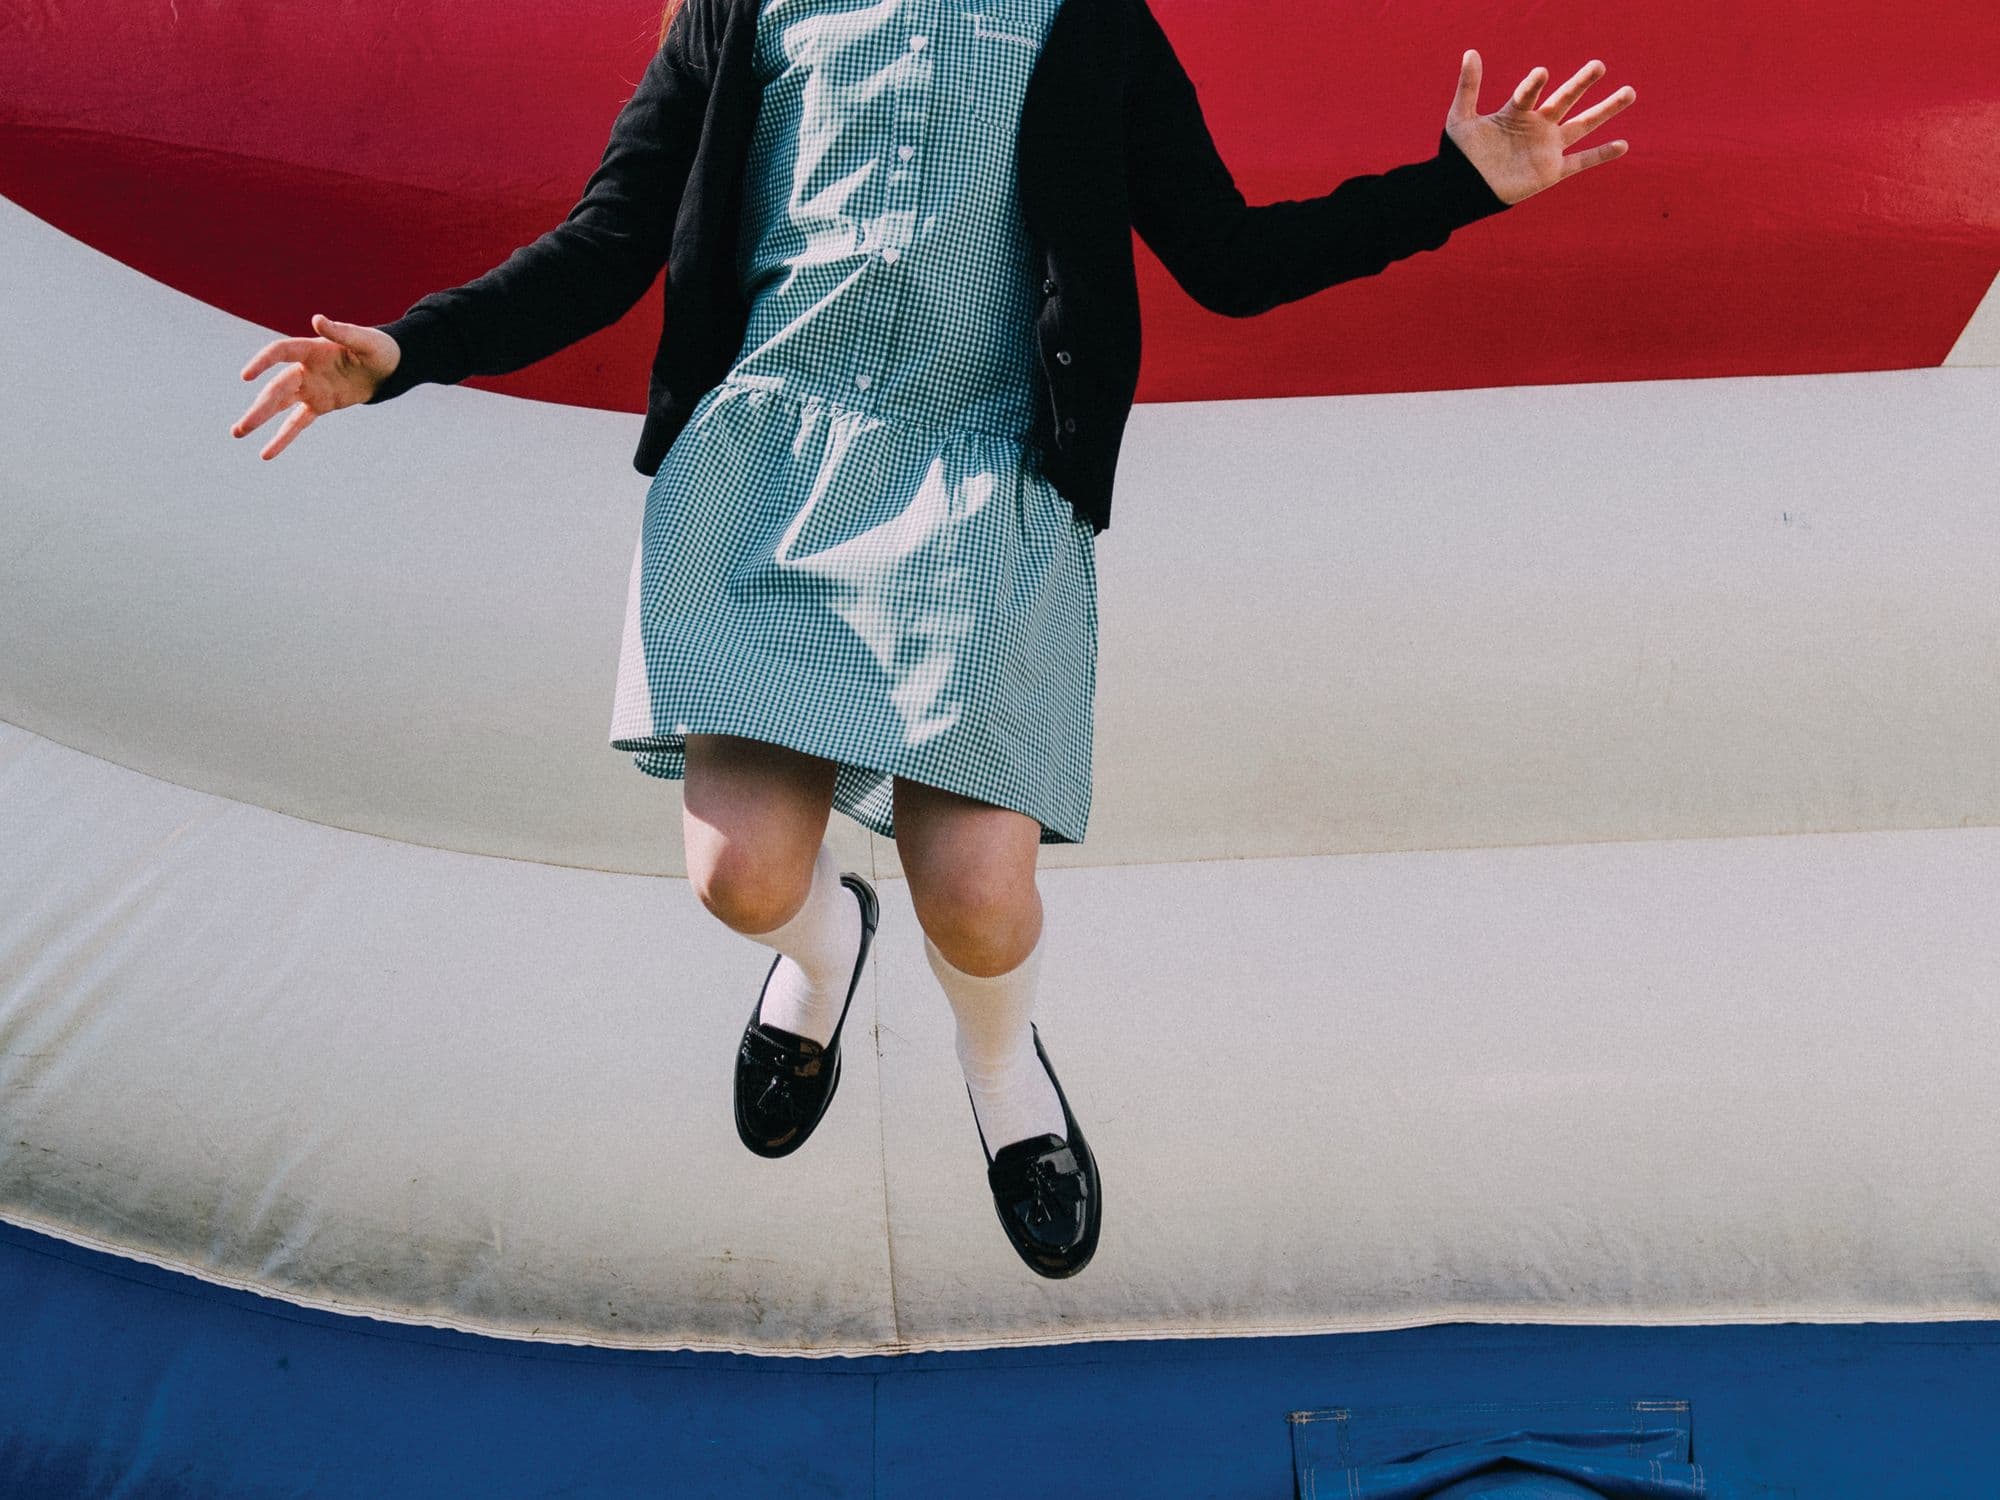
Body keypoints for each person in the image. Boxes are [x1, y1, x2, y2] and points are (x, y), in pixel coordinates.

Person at [231, 0, 1634, 1279]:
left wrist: (1457, 186)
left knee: (975, 897)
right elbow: (609, 243)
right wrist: (408, 353)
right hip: (766, 478)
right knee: (738, 876)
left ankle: (1001, 1069)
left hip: (978, 489)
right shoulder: (742, 10)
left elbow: (1231, 261)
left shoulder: (1089, 23)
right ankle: (822, 950)